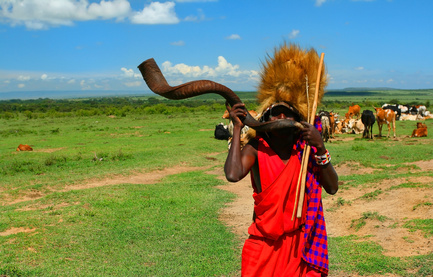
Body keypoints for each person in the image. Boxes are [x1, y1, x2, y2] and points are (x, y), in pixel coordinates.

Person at [224, 44, 338, 277]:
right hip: (262, 246)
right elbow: (233, 174)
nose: (282, 117)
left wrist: (320, 146)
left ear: (299, 120)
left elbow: (332, 187)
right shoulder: (257, 148)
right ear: (266, 119)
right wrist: (237, 128)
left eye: (288, 113)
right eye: (276, 112)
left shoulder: (305, 151)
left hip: (299, 246)